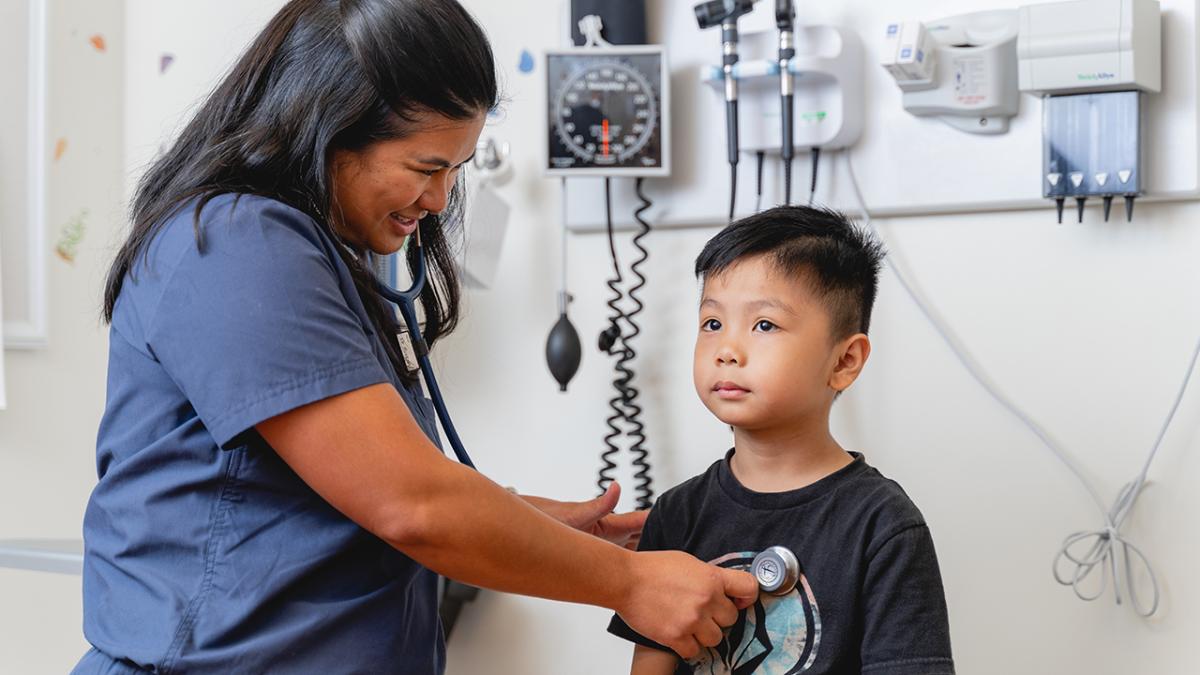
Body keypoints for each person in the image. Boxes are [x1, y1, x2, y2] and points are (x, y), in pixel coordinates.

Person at [72, 1, 758, 673]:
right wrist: (630, 583)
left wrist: (538, 529)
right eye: (427, 167)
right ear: (327, 127)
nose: (438, 200)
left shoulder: (322, 254)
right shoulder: (235, 244)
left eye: (455, 170)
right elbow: (411, 504)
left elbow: (333, 492)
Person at [608, 206, 955, 674]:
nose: (727, 350)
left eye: (764, 324)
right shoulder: (677, 514)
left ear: (844, 361)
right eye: (712, 323)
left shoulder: (883, 524)